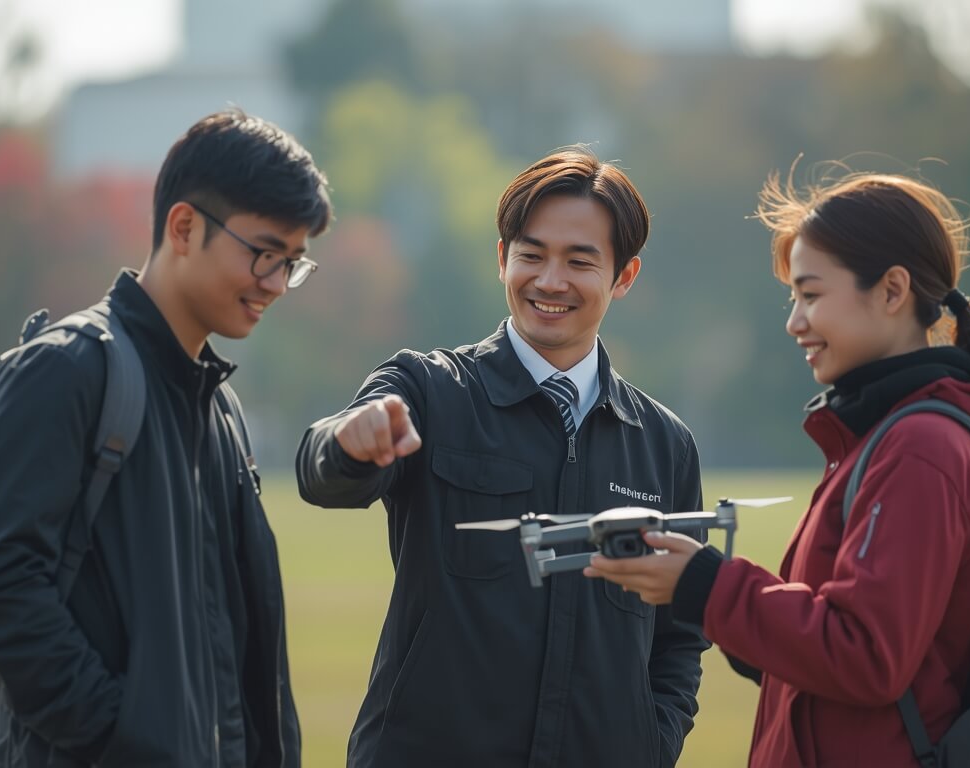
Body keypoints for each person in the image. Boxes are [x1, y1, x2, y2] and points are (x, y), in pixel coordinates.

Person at [586, 169, 970, 766]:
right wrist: (714, 599)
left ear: (892, 290)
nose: (795, 322)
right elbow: (823, 655)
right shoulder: (883, 438)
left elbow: (868, 656)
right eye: (793, 298)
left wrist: (707, 584)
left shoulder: (922, 448)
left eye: (812, 295)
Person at [296, 146, 710, 768]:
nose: (549, 281)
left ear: (624, 277)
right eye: (531, 255)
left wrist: (652, 742)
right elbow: (323, 472)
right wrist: (350, 444)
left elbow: (679, 634)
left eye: (579, 261)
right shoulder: (428, 390)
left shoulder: (664, 445)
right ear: (501, 259)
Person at [0, 109, 331, 767]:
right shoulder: (67, 370)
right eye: (265, 254)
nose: (275, 285)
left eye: (292, 265)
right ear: (184, 227)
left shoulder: (219, 407)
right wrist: (122, 738)